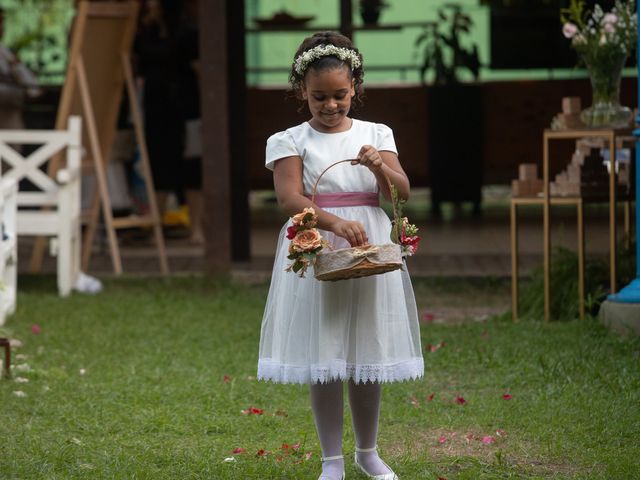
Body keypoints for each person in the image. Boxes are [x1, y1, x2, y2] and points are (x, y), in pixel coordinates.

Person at [257, 31, 424, 480]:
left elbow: (401, 192)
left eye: (340, 96)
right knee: (326, 350)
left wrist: (378, 166)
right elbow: (290, 198)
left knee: (364, 350)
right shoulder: (290, 139)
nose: (331, 106)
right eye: (319, 98)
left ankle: (367, 452)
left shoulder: (376, 134)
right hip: (321, 241)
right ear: (301, 93)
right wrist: (331, 224)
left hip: (367, 243)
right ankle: (332, 459)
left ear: (356, 89)